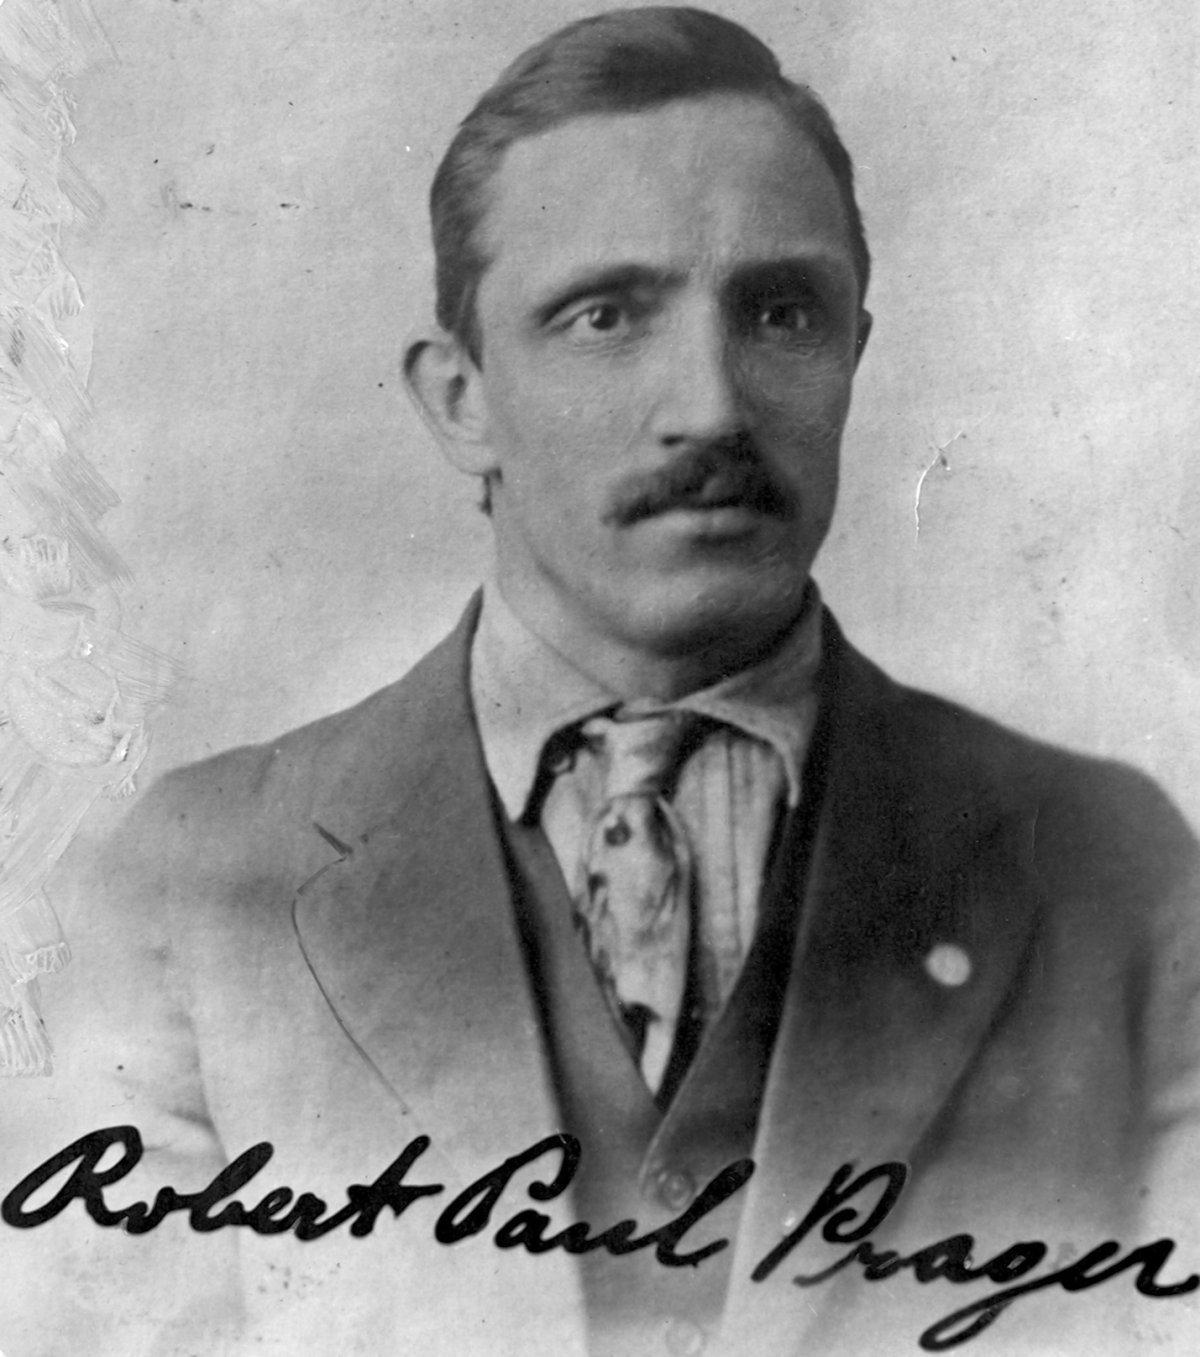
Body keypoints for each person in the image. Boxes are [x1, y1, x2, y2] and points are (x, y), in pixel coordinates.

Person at [2, 8, 1198, 1356]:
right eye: (606, 316)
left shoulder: (1114, 871)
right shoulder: (193, 885)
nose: (713, 406)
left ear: (854, 354)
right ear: (460, 398)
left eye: (782, 311)